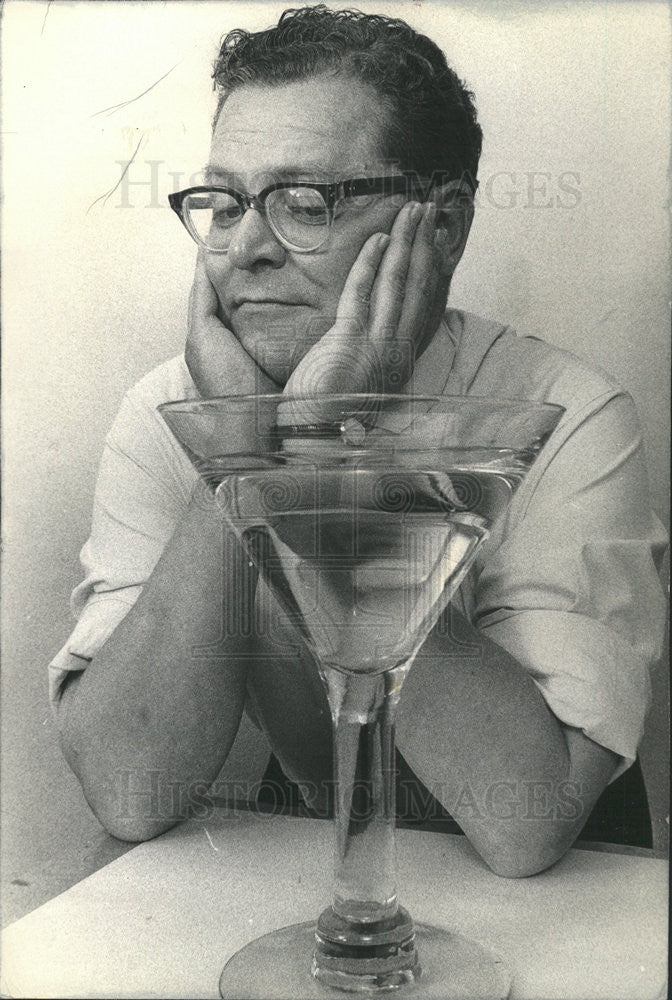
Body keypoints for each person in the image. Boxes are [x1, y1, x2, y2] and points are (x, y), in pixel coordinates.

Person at [50, 5, 667, 877]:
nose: (248, 248)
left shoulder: (569, 413)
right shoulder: (176, 408)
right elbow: (128, 789)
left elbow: (525, 822)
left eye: (304, 202)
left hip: (564, 894)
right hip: (320, 855)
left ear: (442, 227)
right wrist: (241, 454)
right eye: (225, 203)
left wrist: (323, 446)